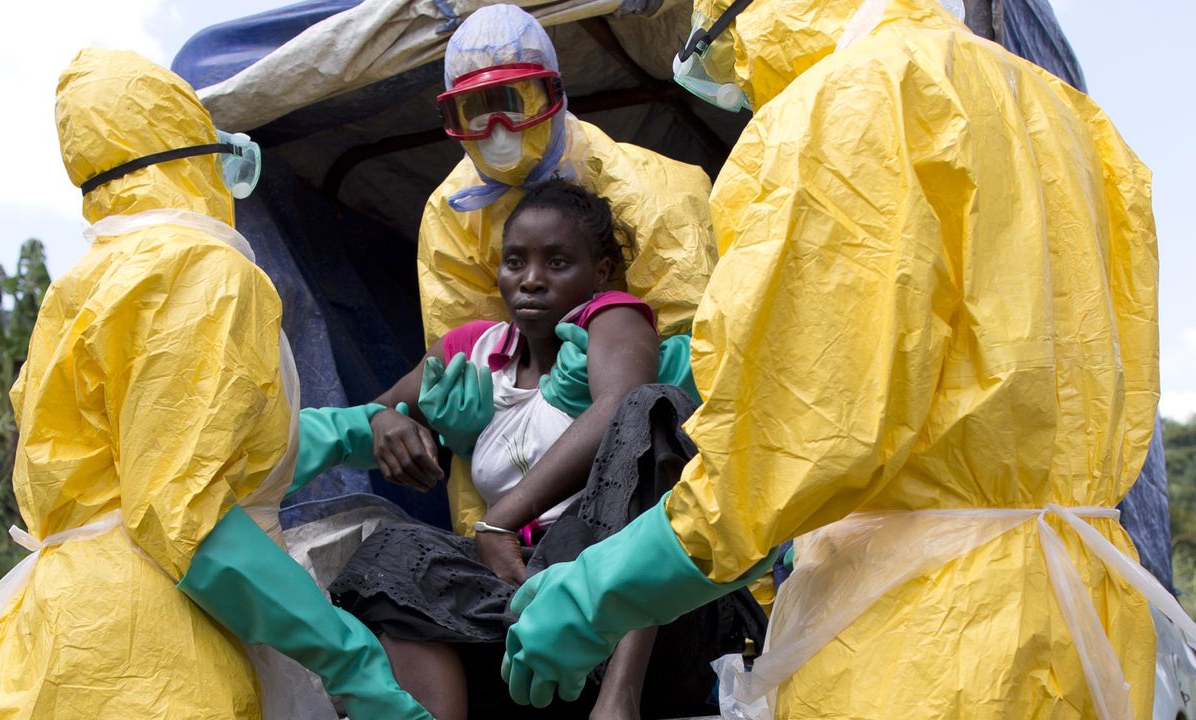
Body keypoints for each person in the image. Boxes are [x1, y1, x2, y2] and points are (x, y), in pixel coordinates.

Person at [502, 1, 1190, 719]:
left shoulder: (852, 96)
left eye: (719, 47)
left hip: (920, 641)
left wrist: (601, 591)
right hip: (1086, 624)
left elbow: (799, 437)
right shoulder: (1075, 120)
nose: (733, 75)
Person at [0, 48, 428, 720]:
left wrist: (350, 431)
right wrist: (349, 656)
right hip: (158, 645)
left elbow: (180, 448)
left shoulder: (85, 282)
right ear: (194, 152)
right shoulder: (202, 269)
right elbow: (186, 514)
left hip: (69, 633)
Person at [295, 180, 763, 720]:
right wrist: (384, 422)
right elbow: (370, 416)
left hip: (649, 623)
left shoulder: (612, 320)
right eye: (515, 262)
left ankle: (619, 700)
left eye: (558, 262)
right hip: (534, 606)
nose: (531, 281)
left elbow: (622, 402)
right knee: (391, 555)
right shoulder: (475, 352)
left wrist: (499, 522)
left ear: (602, 271)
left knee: (654, 411)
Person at [421, 4, 718, 535]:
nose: (498, 129)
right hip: (529, 507)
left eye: (514, 103)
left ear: (554, 95)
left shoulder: (655, 195)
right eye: (475, 111)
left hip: (649, 467)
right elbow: (470, 368)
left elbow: (707, 372)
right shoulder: (452, 214)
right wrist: (485, 541)